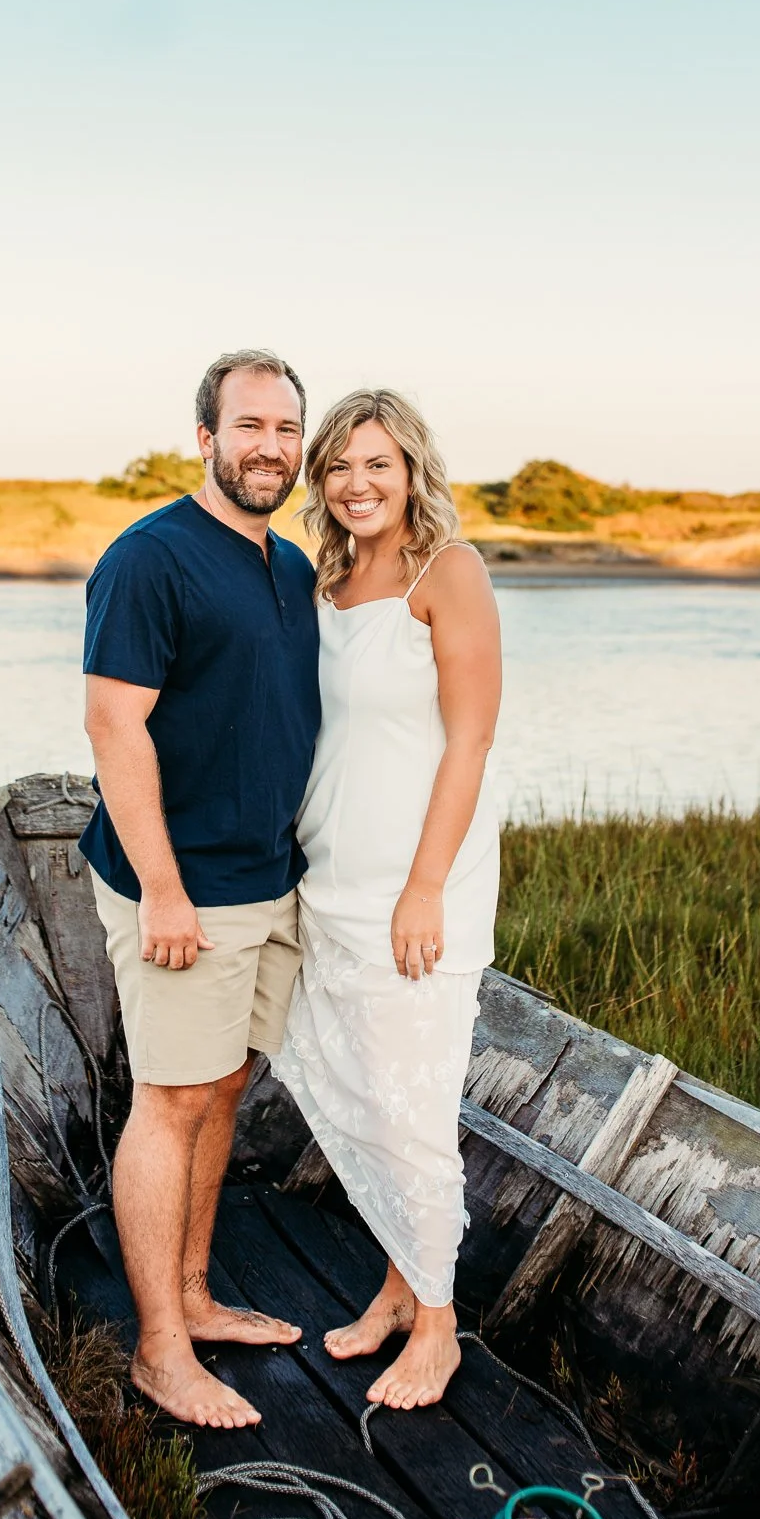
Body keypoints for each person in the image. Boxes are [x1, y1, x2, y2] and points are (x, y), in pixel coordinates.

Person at [79, 349, 320, 1429]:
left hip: (270, 879)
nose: (269, 446)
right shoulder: (150, 558)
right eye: (249, 425)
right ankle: (159, 1352)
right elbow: (113, 723)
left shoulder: (291, 564)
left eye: (285, 429)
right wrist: (165, 887)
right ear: (206, 437)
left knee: (223, 1086)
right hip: (182, 886)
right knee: (171, 1101)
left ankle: (190, 1292)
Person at [272, 388, 502, 1411]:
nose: (358, 484)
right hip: (330, 873)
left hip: (418, 889)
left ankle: (441, 1325)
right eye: (339, 467)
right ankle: (398, 1286)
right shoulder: (326, 576)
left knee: (411, 1108)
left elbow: (472, 740)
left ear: (412, 469)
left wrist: (423, 886)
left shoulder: (449, 571)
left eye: (378, 464)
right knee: (357, 1085)